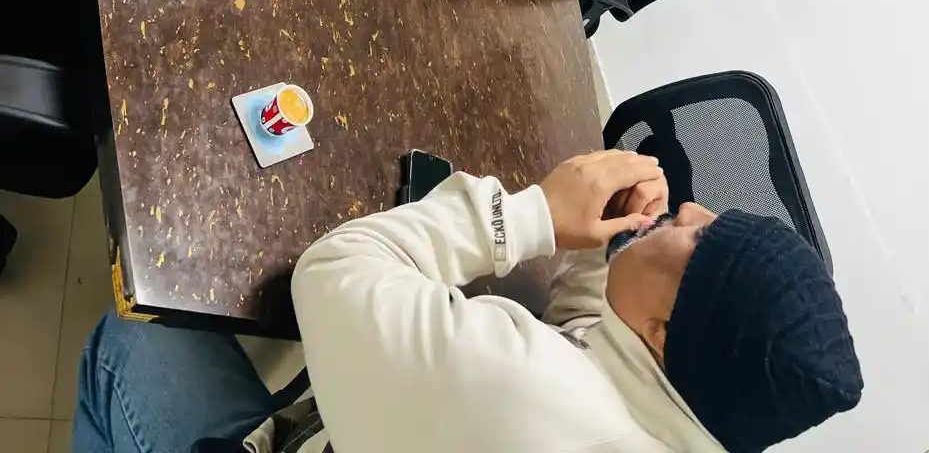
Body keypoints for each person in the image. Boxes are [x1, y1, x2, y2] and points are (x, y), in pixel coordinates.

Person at [73, 150, 862, 452]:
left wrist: (530, 215)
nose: (691, 210)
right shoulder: (677, 408)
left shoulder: (514, 386)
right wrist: (610, 238)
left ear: (663, 332)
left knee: (133, 339)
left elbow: (333, 271)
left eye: (698, 241)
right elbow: (595, 338)